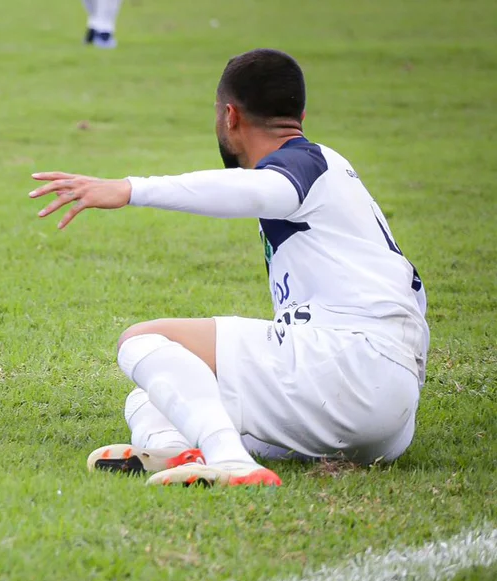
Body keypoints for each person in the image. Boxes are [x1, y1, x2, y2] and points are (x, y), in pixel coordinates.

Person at [29, 49, 427, 486]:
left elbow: (260, 192)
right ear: (301, 115)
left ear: (230, 117)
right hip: (385, 410)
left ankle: (230, 461)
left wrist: (130, 189)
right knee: (156, 396)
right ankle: (175, 450)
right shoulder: (335, 174)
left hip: (347, 367)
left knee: (142, 340)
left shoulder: (301, 167)